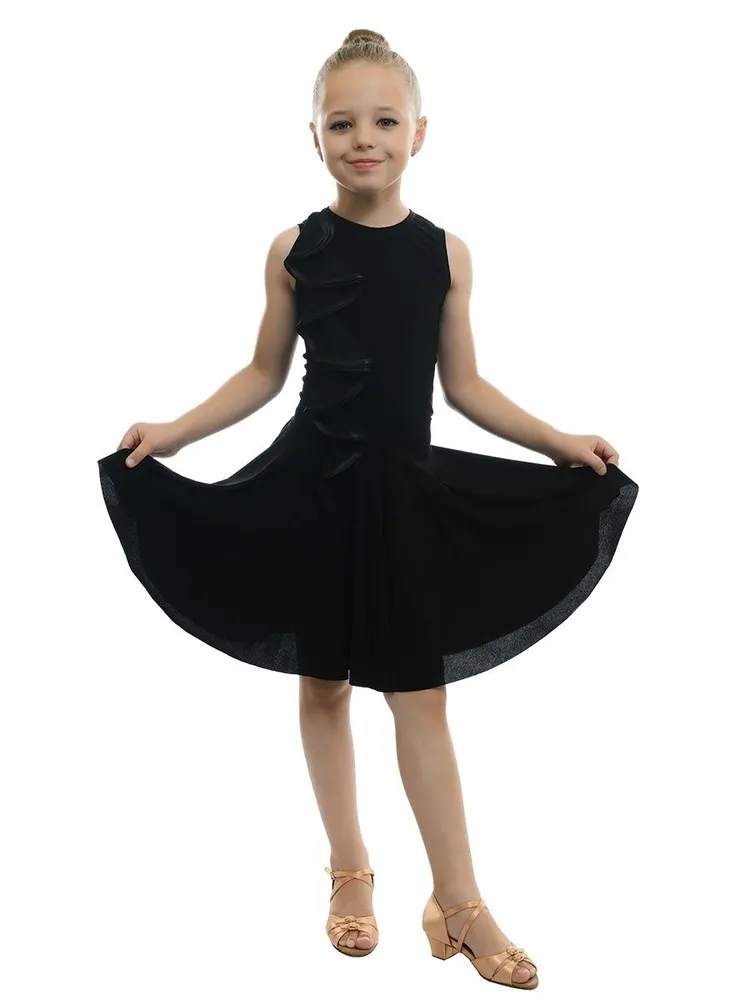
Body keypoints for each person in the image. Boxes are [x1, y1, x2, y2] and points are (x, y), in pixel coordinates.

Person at [97, 28, 639, 989]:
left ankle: (458, 902)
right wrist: (176, 431)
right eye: (341, 123)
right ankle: (350, 871)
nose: (364, 140)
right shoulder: (294, 248)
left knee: (419, 695)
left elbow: (465, 386)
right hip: (309, 489)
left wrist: (557, 440)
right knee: (322, 685)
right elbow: (263, 373)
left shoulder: (446, 254)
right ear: (313, 137)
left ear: (419, 132)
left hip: (403, 497)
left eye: (384, 121)